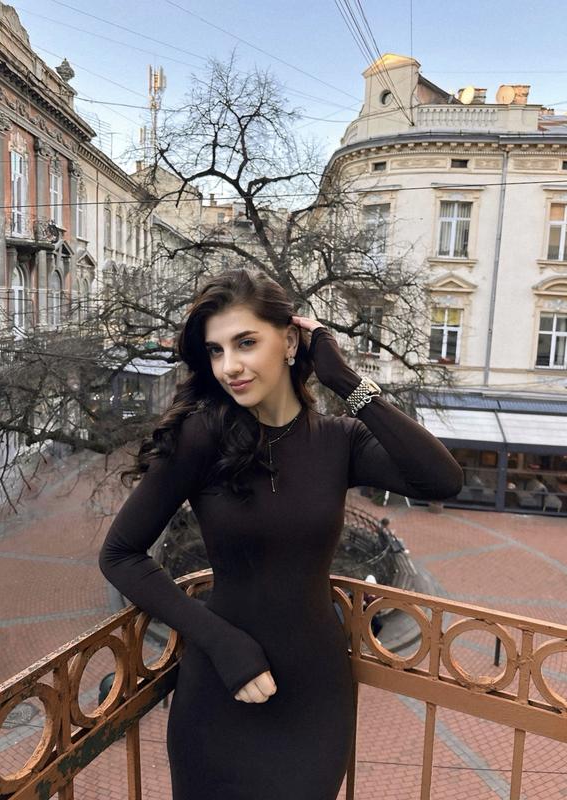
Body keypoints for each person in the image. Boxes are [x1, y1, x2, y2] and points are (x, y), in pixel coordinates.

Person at [98, 268, 463, 800]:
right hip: (219, 692)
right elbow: (120, 554)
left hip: (314, 699)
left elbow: (443, 480)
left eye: (246, 342)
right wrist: (220, 642)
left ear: (290, 341)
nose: (229, 365)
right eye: (216, 350)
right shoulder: (201, 436)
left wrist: (343, 379)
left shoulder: (340, 440)